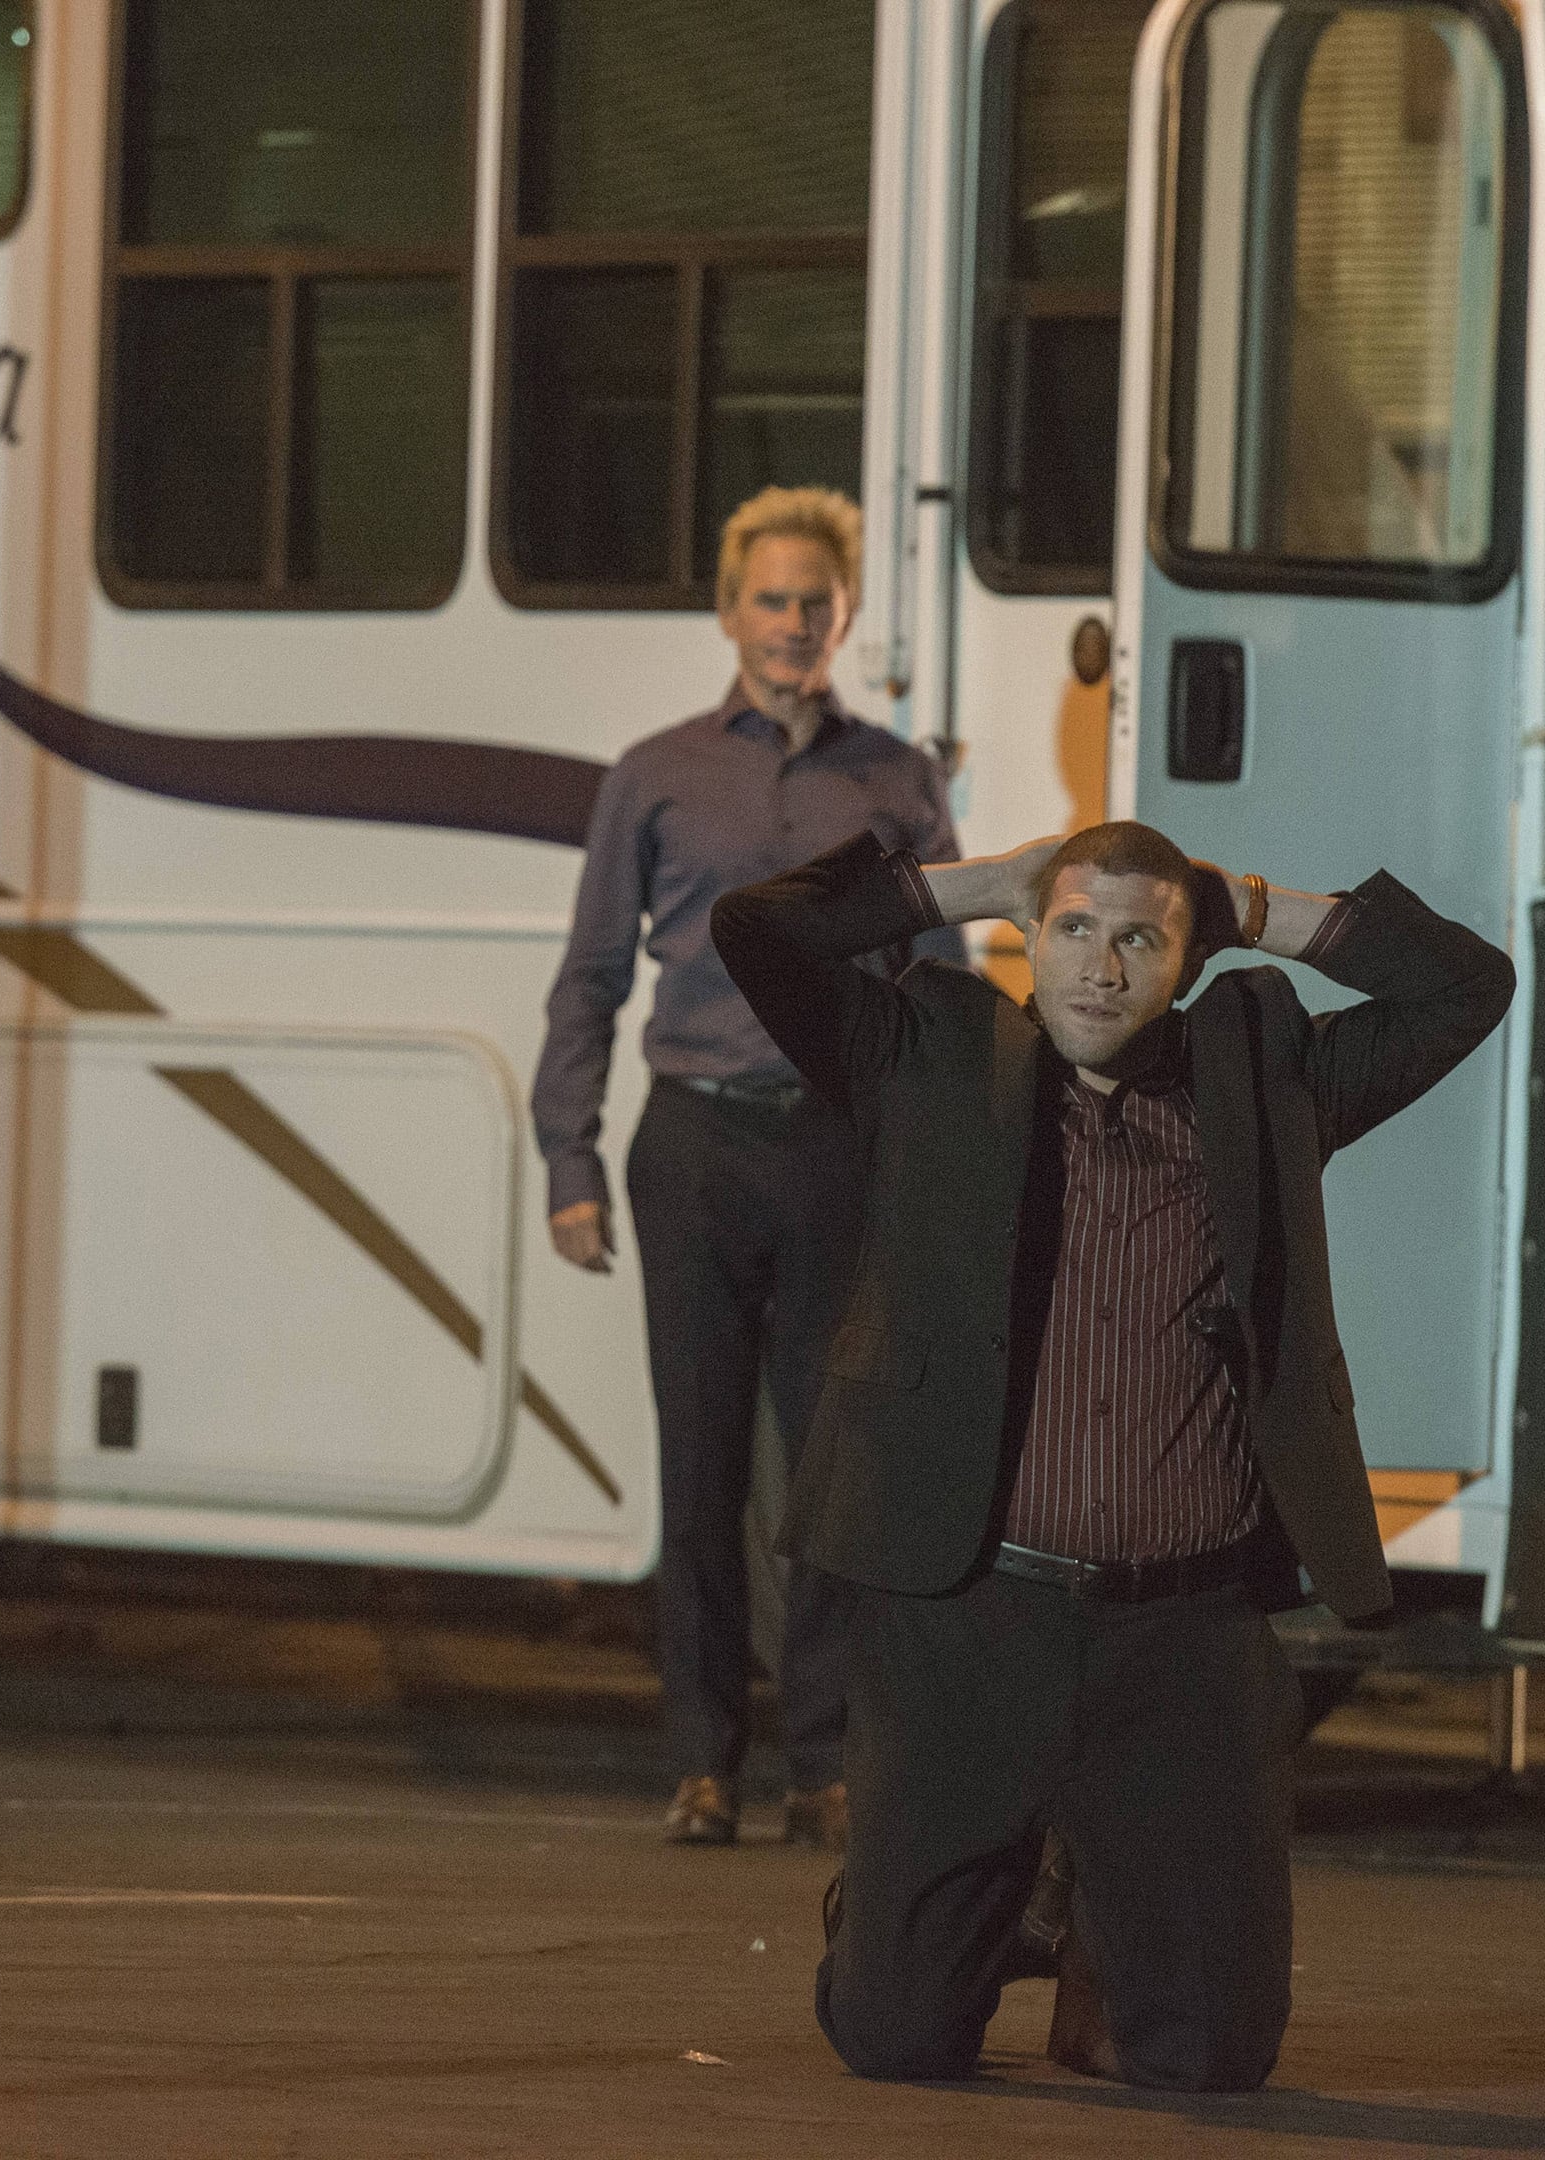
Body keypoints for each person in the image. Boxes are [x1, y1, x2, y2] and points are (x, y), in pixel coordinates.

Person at [711, 819, 1513, 2090]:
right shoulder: (923, 1055)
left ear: (1189, 961)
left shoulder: (1268, 1078)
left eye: (1142, 939)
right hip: (968, 1613)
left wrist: (1256, 906)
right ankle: (913, 1911)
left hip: (1182, 1636)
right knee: (897, 2038)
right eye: (1075, 928)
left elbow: (1468, 985)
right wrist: (985, 882)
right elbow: (756, 930)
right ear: (1033, 937)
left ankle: (1098, 1925)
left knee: (1209, 2062)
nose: (1100, 965)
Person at [534, 487, 962, 1850]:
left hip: (835, 1147)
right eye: (769, 600)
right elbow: (591, 978)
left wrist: (941, 1162)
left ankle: (822, 1762)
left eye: (814, 602)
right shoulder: (652, 774)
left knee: (834, 1468)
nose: (792, 622)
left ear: (845, 617)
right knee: (701, 1462)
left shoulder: (900, 781)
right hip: (696, 1147)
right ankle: (702, 1761)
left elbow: (940, 985)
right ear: (730, 615)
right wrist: (568, 1158)